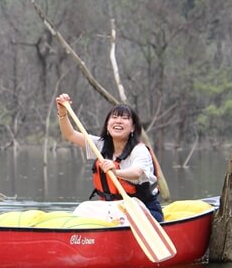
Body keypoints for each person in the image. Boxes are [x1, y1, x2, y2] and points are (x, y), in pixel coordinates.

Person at [55, 93, 163, 222]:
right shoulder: (100, 146)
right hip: (113, 208)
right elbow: (70, 135)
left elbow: (137, 172)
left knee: (116, 212)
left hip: (145, 210)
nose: (118, 121)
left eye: (124, 118)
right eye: (114, 117)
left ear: (133, 127)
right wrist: (62, 113)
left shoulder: (139, 150)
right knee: (83, 208)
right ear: (107, 125)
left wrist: (116, 172)